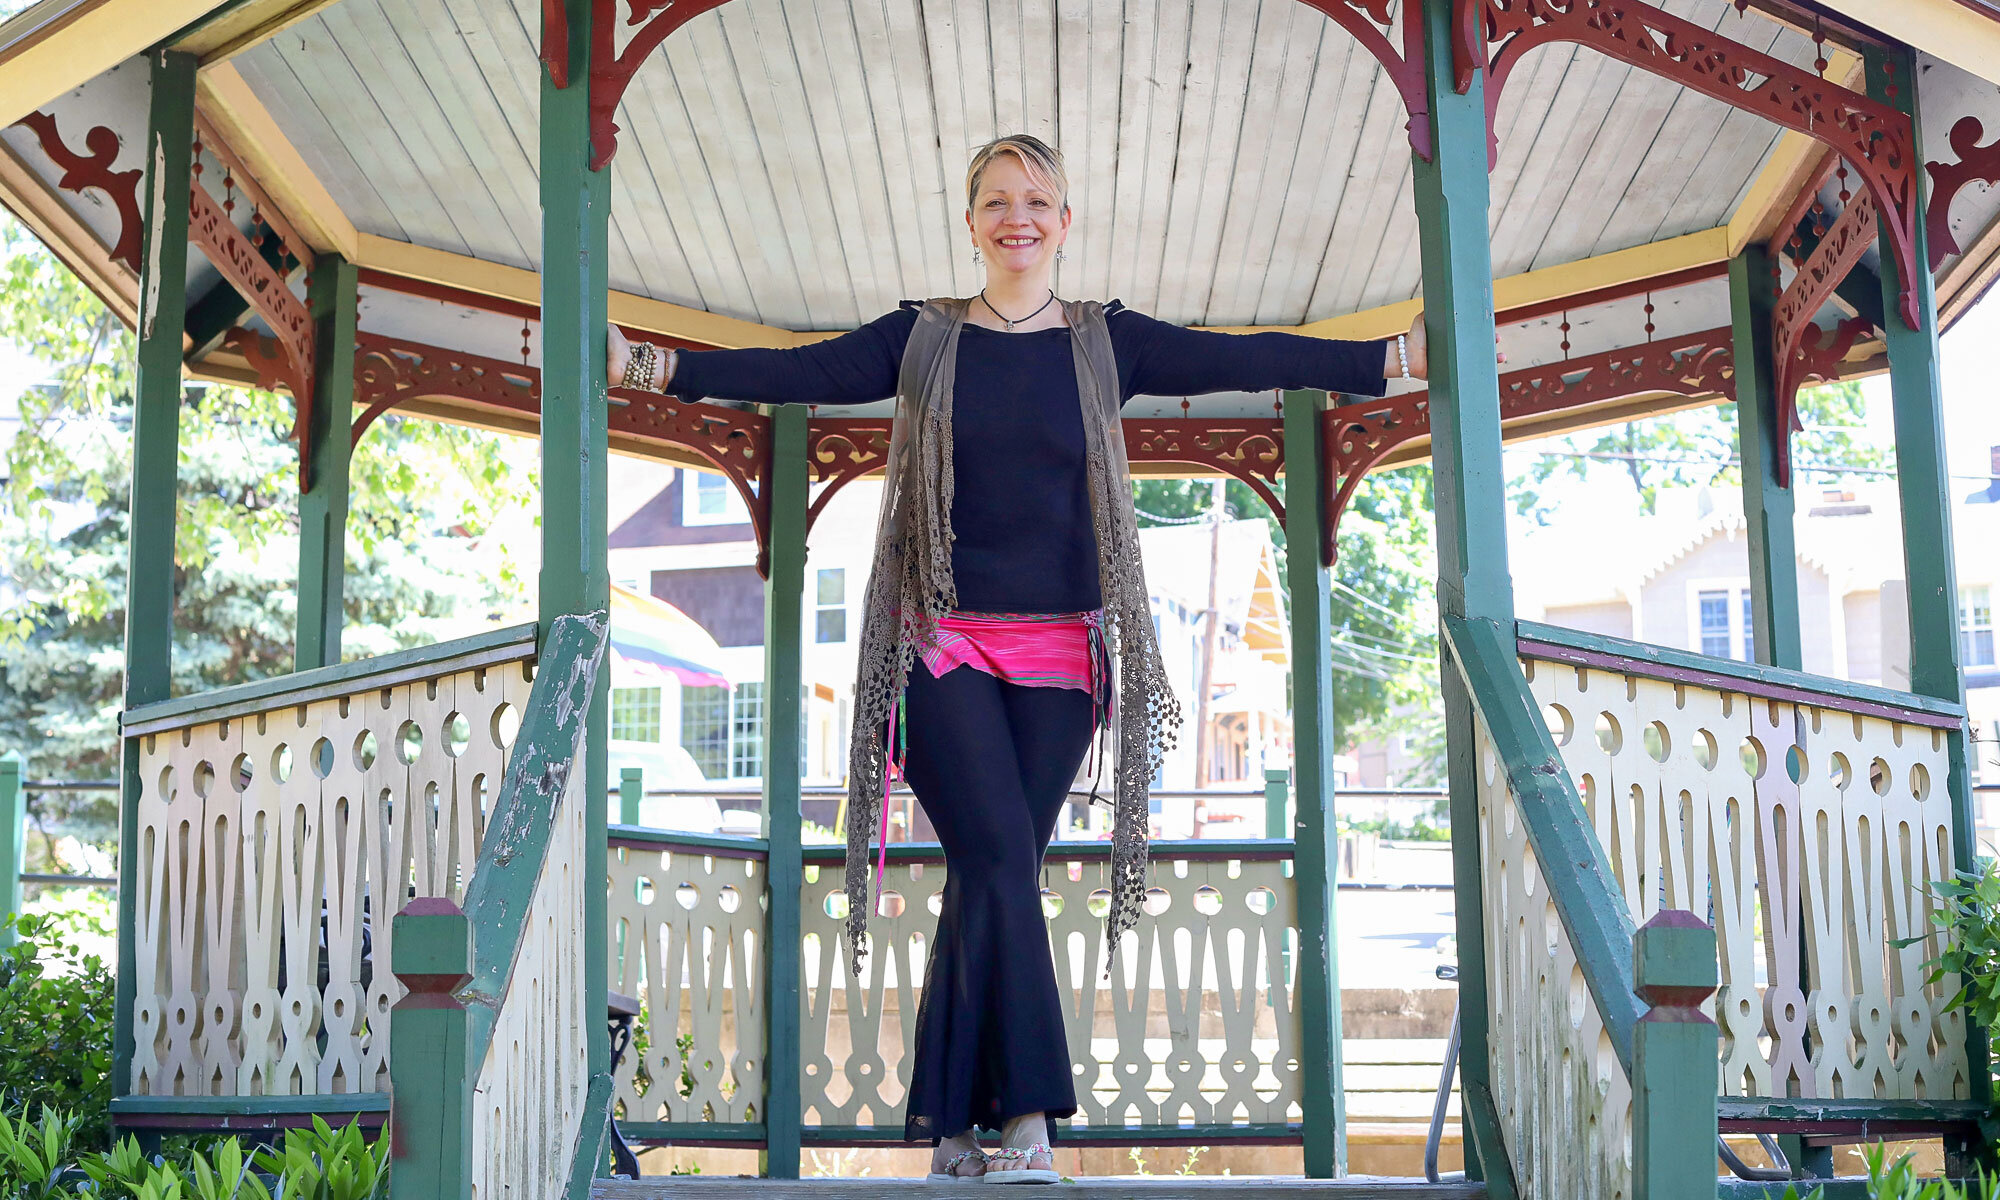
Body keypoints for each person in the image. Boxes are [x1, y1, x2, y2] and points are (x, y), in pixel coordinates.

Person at [609, 134, 1446, 1182]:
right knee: (1005, 863)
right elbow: (794, 373)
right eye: (996, 201)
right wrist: (652, 365)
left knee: (987, 878)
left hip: (1064, 661)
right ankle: (1033, 1127)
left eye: (1037, 201)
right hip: (939, 646)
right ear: (969, 223)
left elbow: (1244, 354)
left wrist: (1390, 360)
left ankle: (952, 1128)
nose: (1018, 218)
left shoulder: (1107, 343)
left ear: (1064, 220)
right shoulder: (919, 339)